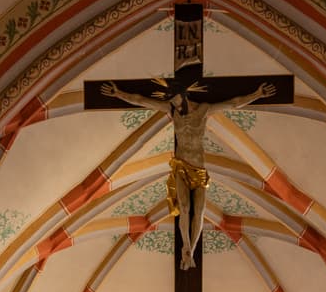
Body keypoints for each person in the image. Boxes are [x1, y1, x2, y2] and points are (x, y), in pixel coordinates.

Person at [97, 78, 278, 268]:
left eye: (174, 98)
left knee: (199, 211)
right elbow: (141, 100)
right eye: (170, 99)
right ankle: (186, 246)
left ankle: (192, 248)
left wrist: (257, 95)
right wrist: (118, 94)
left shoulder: (204, 109)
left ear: (182, 94)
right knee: (184, 207)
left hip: (199, 168)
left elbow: (232, 103)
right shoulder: (172, 110)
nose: (173, 102)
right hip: (181, 166)